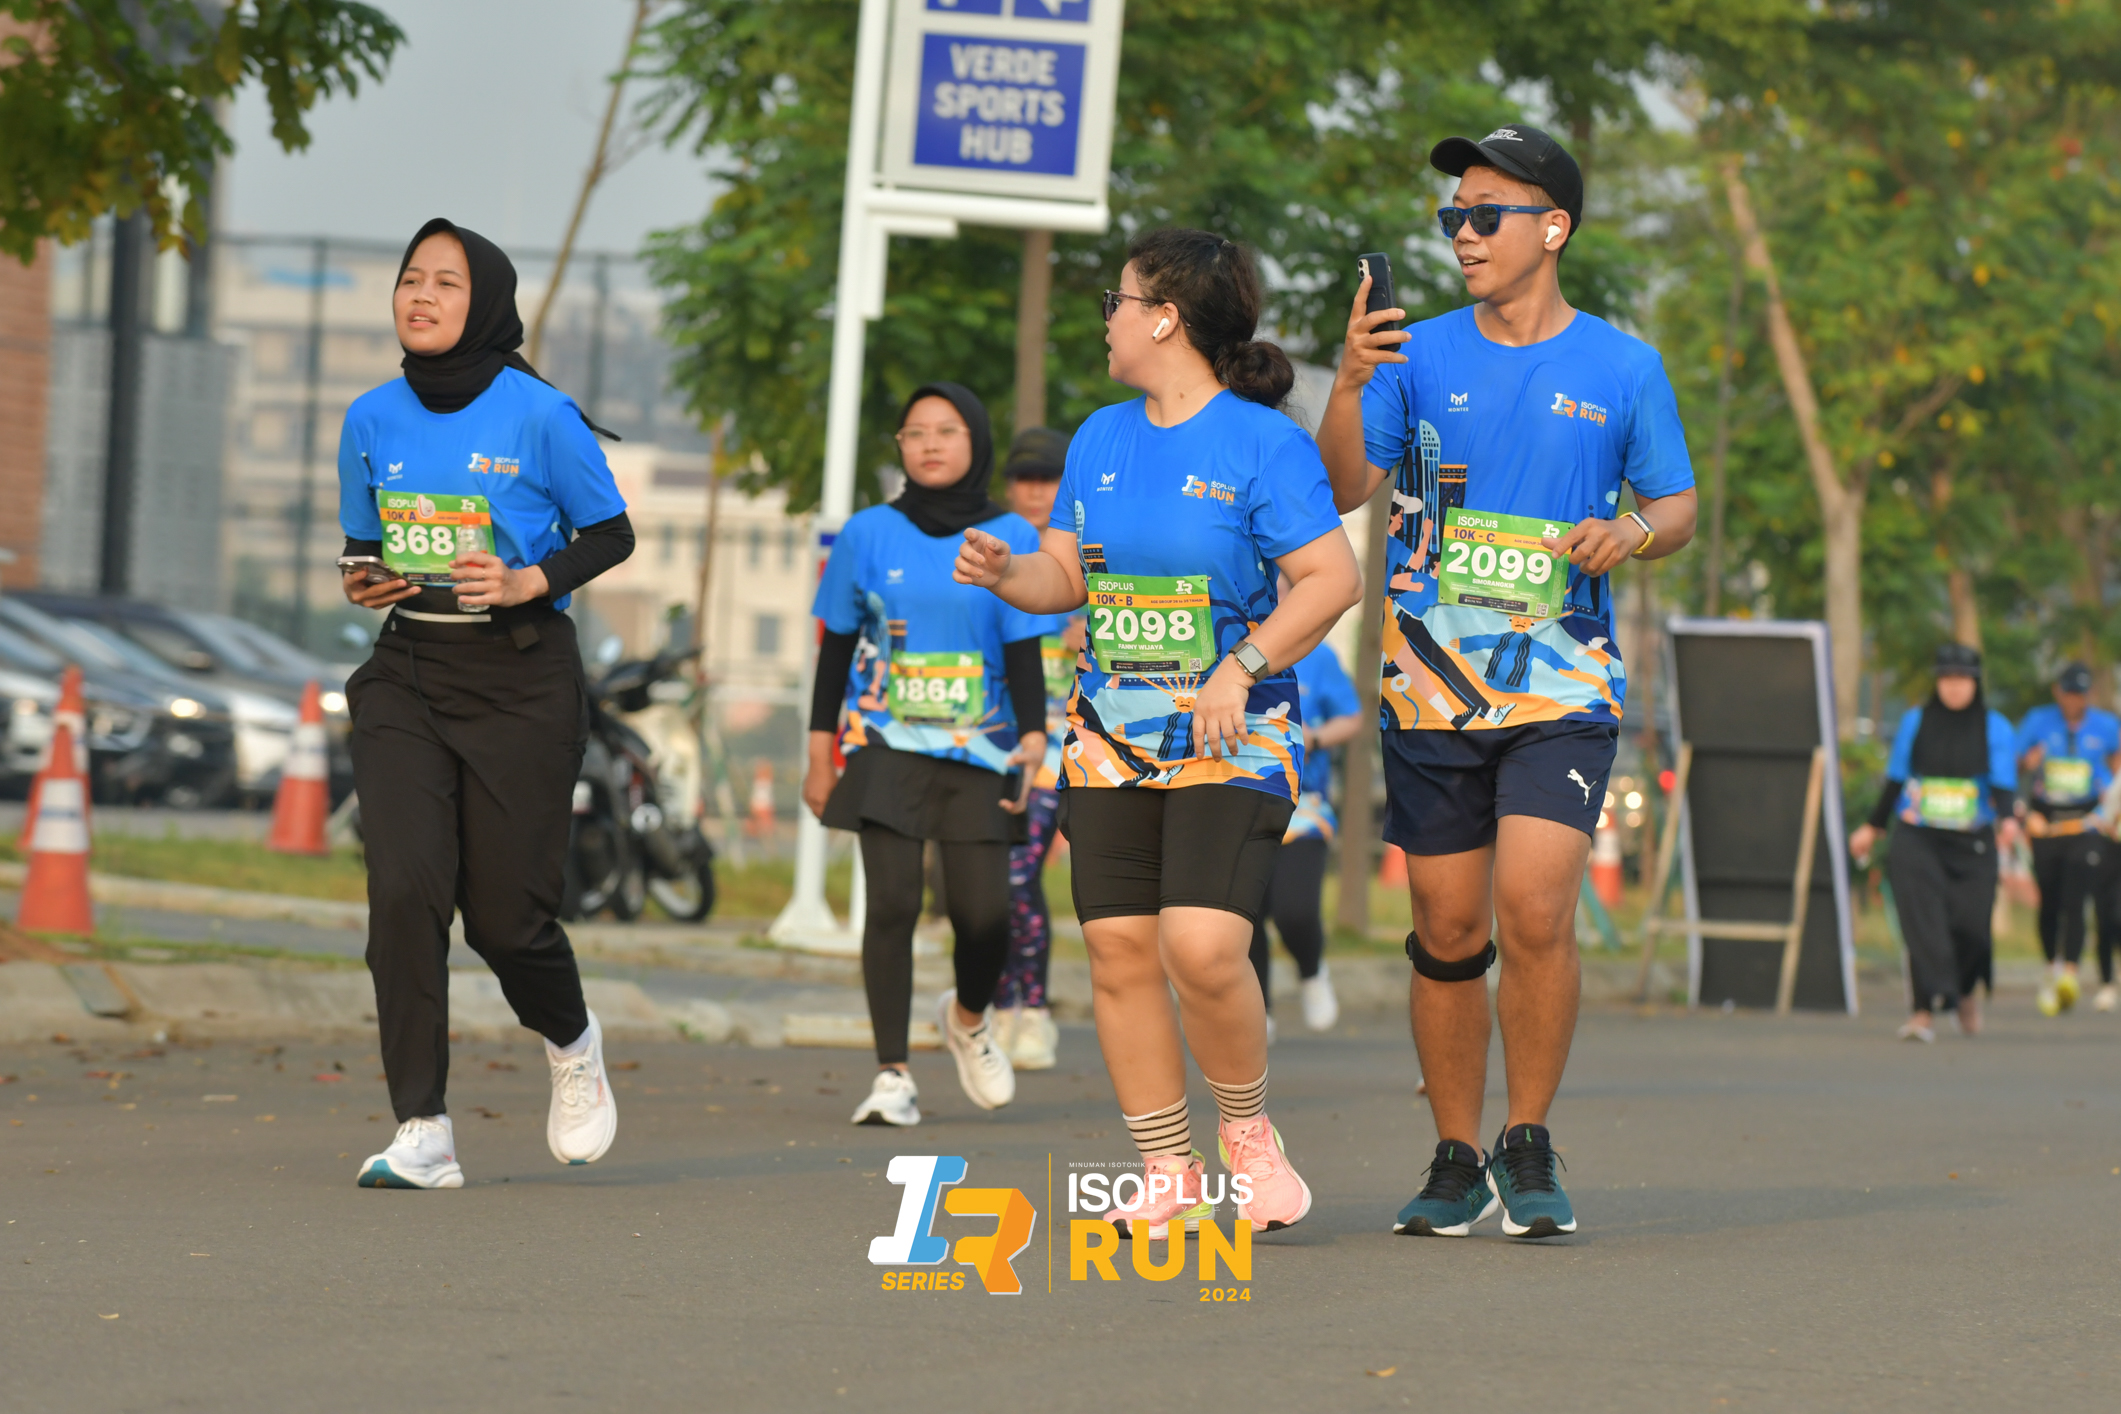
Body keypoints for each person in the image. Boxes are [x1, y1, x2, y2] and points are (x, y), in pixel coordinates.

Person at [1317, 126, 1697, 1239]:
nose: (1464, 235)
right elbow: (1340, 486)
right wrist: (1349, 378)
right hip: (1428, 685)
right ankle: (1455, 1156)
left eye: (1486, 215)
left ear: (1553, 227)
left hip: (1560, 685)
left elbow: (1675, 504)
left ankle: (1526, 1139)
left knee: (1534, 908)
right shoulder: (1413, 354)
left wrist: (1631, 533)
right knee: (1446, 927)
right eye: (1454, 217)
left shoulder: (1624, 367)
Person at [956, 228, 1363, 1237]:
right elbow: (1065, 576)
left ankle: (1249, 1135)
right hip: (1110, 732)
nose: (1107, 319)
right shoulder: (1100, 437)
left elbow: (1331, 580)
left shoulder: (1263, 442)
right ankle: (1167, 1168)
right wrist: (1009, 574)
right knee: (1119, 947)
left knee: (1203, 945)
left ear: (1166, 318)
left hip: (1234, 729)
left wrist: (1241, 666)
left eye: (1119, 300)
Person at [339, 218, 634, 1189]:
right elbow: (361, 547)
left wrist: (526, 581)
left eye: (447, 282)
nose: (421, 295)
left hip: (521, 678)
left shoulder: (541, 415)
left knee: (506, 923)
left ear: (488, 304)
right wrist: (362, 578)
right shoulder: (369, 417)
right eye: (410, 278)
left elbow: (611, 534)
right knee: (404, 892)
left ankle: (572, 1040)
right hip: (407, 672)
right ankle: (422, 1126)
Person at [803, 383, 1060, 1127]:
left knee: (985, 918)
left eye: (947, 430)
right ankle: (892, 1074)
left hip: (983, 748)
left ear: (975, 441)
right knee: (891, 904)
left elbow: (1023, 645)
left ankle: (968, 1018)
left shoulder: (1008, 533)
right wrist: (819, 754)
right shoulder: (866, 533)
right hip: (884, 742)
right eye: (914, 433)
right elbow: (835, 649)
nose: (930, 445)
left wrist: (1034, 736)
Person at [1850, 644, 2020, 1040]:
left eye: (1962, 679)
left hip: (1973, 841)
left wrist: (2009, 820)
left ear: (1975, 683)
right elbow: (1895, 779)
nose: (1954, 687)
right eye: (1946, 679)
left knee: (1972, 926)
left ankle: (1964, 991)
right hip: (1918, 837)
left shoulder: (1994, 726)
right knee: (1923, 920)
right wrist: (1872, 827)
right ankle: (1922, 1011)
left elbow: (2003, 783)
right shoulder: (1915, 721)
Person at [991, 426, 1074, 1071]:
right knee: (990, 882)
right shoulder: (994, 547)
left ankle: (1034, 1009)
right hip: (994, 738)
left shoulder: (1091, 545)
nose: (1035, 491)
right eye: (1024, 479)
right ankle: (999, 1004)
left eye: (1048, 479)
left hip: (1061, 744)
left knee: (1020, 874)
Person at [1248, 638, 1363, 1035]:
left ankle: (1312, 970)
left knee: (1294, 911)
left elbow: (1351, 717)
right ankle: (1257, 1012)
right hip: (1236, 796)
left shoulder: (1318, 652)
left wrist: (1313, 739)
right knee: (1245, 915)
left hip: (1304, 805)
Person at [2013, 662, 2121, 1015]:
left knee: (2078, 895)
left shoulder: (2107, 726)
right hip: (2046, 821)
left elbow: (2118, 765)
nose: (2075, 701)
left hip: (2086, 821)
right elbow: (2012, 765)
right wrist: (2027, 766)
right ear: (2058, 692)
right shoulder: (2037, 721)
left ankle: (2070, 972)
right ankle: (2052, 965)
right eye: (2070, 693)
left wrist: (2111, 804)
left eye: (2082, 694)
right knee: (2050, 898)